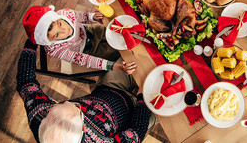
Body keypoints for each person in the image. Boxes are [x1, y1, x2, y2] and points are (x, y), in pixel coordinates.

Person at [17, 39, 153, 142]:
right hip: (135, 115)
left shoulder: (39, 116)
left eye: (62, 103)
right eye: (77, 109)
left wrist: (33, 39)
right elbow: (136, 132)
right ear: (83, 128)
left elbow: (25, 82)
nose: (69, 102)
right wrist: (143, 99)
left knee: (138, 51)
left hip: (110, 88)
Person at [22, 5, 136, 73]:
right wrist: (117, 67)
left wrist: (93, 17)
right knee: (124, 52)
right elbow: (85, 60)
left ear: (57, 17)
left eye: (60, 24)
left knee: (119, 34)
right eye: (57, 35)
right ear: (50, 41)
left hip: (90, 30)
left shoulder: (65, 13)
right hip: (90, 51)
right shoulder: (54, 50)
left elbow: (83, 17)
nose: (64, 30)